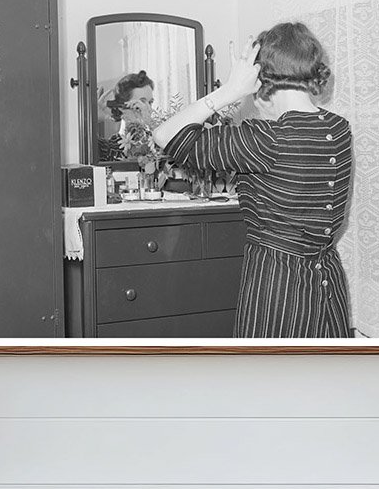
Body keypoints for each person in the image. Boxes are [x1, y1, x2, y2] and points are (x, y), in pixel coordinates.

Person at [151, 22, 354, 339]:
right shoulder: (339, 128)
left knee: (266, 382)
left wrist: (229, 91)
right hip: (326, 280)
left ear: (261, 76)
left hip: (277, 286)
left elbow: (164, 136)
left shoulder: (265, 139)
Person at [96, 71, 155, 161]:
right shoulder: (109, 149)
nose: (148, 109)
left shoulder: (159, 140)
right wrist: (95, 118)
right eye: (141, 103)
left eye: (150, 102)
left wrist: (150, 125)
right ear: (121, 108)